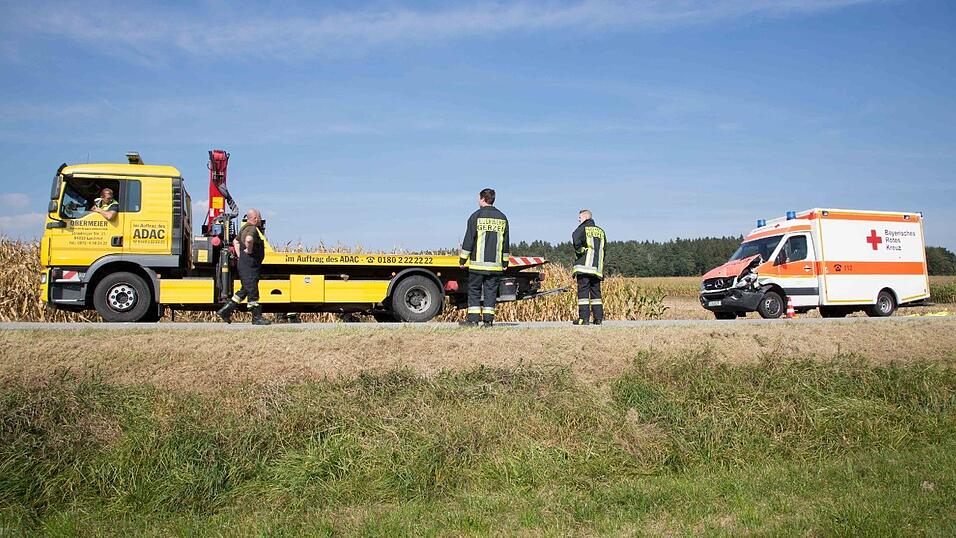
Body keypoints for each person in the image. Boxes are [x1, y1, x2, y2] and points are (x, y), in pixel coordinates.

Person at [459, 188, 510, 327]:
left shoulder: (475, 216)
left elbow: (469, 239)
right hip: (495, 266)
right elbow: (506, 242)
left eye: (478, 198)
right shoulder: (502, 218)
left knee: (474, 291)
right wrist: (505, 262)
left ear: (482, 199)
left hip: (477, 265)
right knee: (490, 292)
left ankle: (473, 321)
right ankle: (488, 321)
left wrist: (463, 259)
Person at [217, 208, 271, 325]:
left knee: (245, 290)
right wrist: (248, 250)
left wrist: (240, 254)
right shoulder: (252, 228)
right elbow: (249, 239)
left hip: (245, 264)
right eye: (260, 218)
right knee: (252, 291)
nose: (260, 221)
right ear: (255, 218)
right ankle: (256, 318)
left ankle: (225, 311)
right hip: (250, 265)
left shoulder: (244, 228)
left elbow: (236, 242)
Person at [572, 209, 606, 325]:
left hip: (584, 267)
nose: (578, 220)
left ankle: (584, 319)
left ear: (585, 217)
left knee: (583, 294)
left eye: (580, 218)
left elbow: (575, 238)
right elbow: (604, 250)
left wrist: (581, 251)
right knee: (596, 294)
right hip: (596, 269)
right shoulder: (601, 232)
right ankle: (598, 319)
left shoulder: (583, 228)